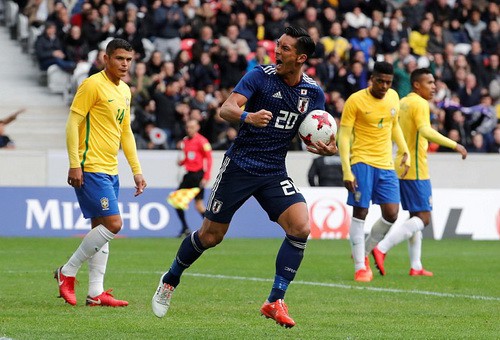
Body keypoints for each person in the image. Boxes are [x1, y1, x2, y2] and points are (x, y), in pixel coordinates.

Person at [151, 26, 337, 328]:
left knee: (301, 227)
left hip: (274, 170)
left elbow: (311, 132)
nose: (277, 51)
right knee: (211, 236)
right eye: (278, 45)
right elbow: (226, 109)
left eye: (286, 48)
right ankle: (170, 279)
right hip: (240, 165)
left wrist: (326, 150)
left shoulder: (313, 93)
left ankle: (275, 300)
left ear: (301, 58)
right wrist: (247, 116)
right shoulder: (259, 77)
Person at [54, 39, 147, 307]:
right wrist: (75, 163)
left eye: (129, 60)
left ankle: (95, 292)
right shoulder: (92, 84)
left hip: (111, 169)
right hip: (90, 166)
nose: (125, 64)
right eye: (119, 58)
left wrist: (136, 170)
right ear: (105, 59)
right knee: (113, 224)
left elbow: (125, 132)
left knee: (99, 227)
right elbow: (73, 122)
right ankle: (67, 272)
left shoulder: (125, 91)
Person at [370, 68, 467, 276]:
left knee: (414, 216)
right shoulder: (420, 103)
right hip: (416, 168)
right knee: (423, 218)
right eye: (430, 83)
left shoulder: (403, 102)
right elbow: (425, 130)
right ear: (417, 85)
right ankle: (382, 248)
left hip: (401, 164)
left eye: (434, 83)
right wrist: (454, 144)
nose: (434, 87)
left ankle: (416, 266)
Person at [337, 61, 411, 282]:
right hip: (361, 161)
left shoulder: (393, 97)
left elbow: (393, 124)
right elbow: (343, 135)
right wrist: (346, 170)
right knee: (361, 212)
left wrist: (404, 149)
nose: (385, 86)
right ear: (372, 79)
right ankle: (360, 266)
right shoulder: (356, 101)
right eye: (381, 81)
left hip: (385, 164)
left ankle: (364, 251)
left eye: (388, 82)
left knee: (392, 214)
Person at [169, 119, 213, 237]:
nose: (189, 129)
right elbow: (188, 158)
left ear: (197, 127)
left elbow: (209, 159)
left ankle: (210, 229)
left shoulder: (202, 141)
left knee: (198, 205)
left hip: (198, 175)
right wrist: (182, 162)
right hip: (188, 175)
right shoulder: (185, 141)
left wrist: (206, 176)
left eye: (192, 127)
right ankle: (185, 228)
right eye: (188, 127)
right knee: (177, 201)